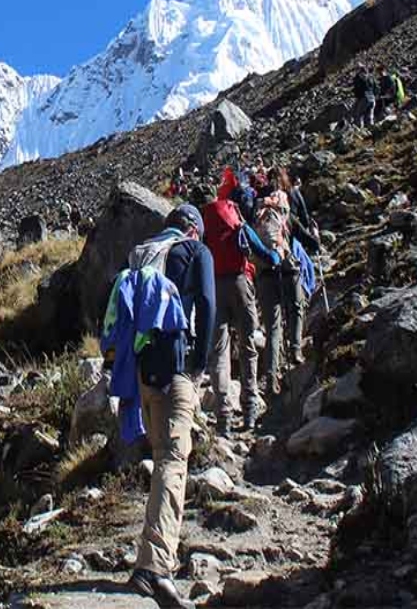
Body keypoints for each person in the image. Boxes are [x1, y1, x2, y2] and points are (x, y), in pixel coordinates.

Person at [106, 205, 215, 609]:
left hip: (139, 372)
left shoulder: (141, 254)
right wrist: (199, 362)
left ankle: (148, 559)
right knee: (173, 461)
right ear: (192, 229)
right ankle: (155, 568)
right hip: (176, 370)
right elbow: (206, 303)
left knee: (160, 456)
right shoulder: (194, 251)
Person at [204, 170, 281, 434]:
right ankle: (249, 409)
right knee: (248, 346)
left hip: (213, 286)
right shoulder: (233, 214)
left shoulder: (202, 222)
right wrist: (274, 257)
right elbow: (258, 247)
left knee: (219, 351)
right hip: (240, 282)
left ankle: (223, 416)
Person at [253, 168, 306, 395]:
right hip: (287, 265)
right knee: (296, 306)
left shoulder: (258, 207)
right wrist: (315, 239)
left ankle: (271, 375)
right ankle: (295, 349)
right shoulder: (287, 201)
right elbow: (300, 229)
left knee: (272, 326)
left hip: (265, 269)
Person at [352, 64, 377, 128]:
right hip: (372, 98)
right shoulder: (371, 77)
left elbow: (357, 89)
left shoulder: (359, 78)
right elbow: (376, 88)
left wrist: (357, 96)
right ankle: (371, 130)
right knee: (369, 116)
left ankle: (359, 130)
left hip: (364, 98)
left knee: (359, 115)